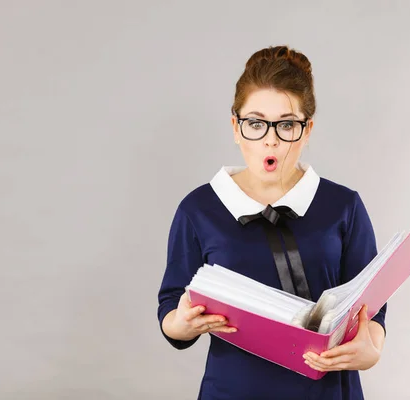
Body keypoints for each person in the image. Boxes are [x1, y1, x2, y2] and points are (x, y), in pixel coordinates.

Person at [157, 45, 387, 400]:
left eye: (287, 125)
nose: (271, 138)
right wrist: (181, 323)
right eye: (255, 123)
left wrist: (371, 350)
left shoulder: (343, 205)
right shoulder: (199, 209)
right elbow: (172, 303)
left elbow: (372, 308)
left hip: (326, 391)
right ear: (236, 127)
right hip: (232, 391)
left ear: (306, 130)